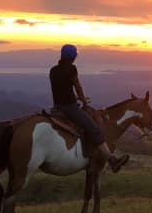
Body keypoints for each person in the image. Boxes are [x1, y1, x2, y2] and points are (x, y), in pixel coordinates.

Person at [50, 44, 129, 172]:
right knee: (94, 129)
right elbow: (78, 87)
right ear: (72, 56)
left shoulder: (53, 70)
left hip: (56, 107)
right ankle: (111, 159)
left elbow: (60, 89)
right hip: (69, 108)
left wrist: (74, 98)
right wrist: (83, 100)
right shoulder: (72, 69)